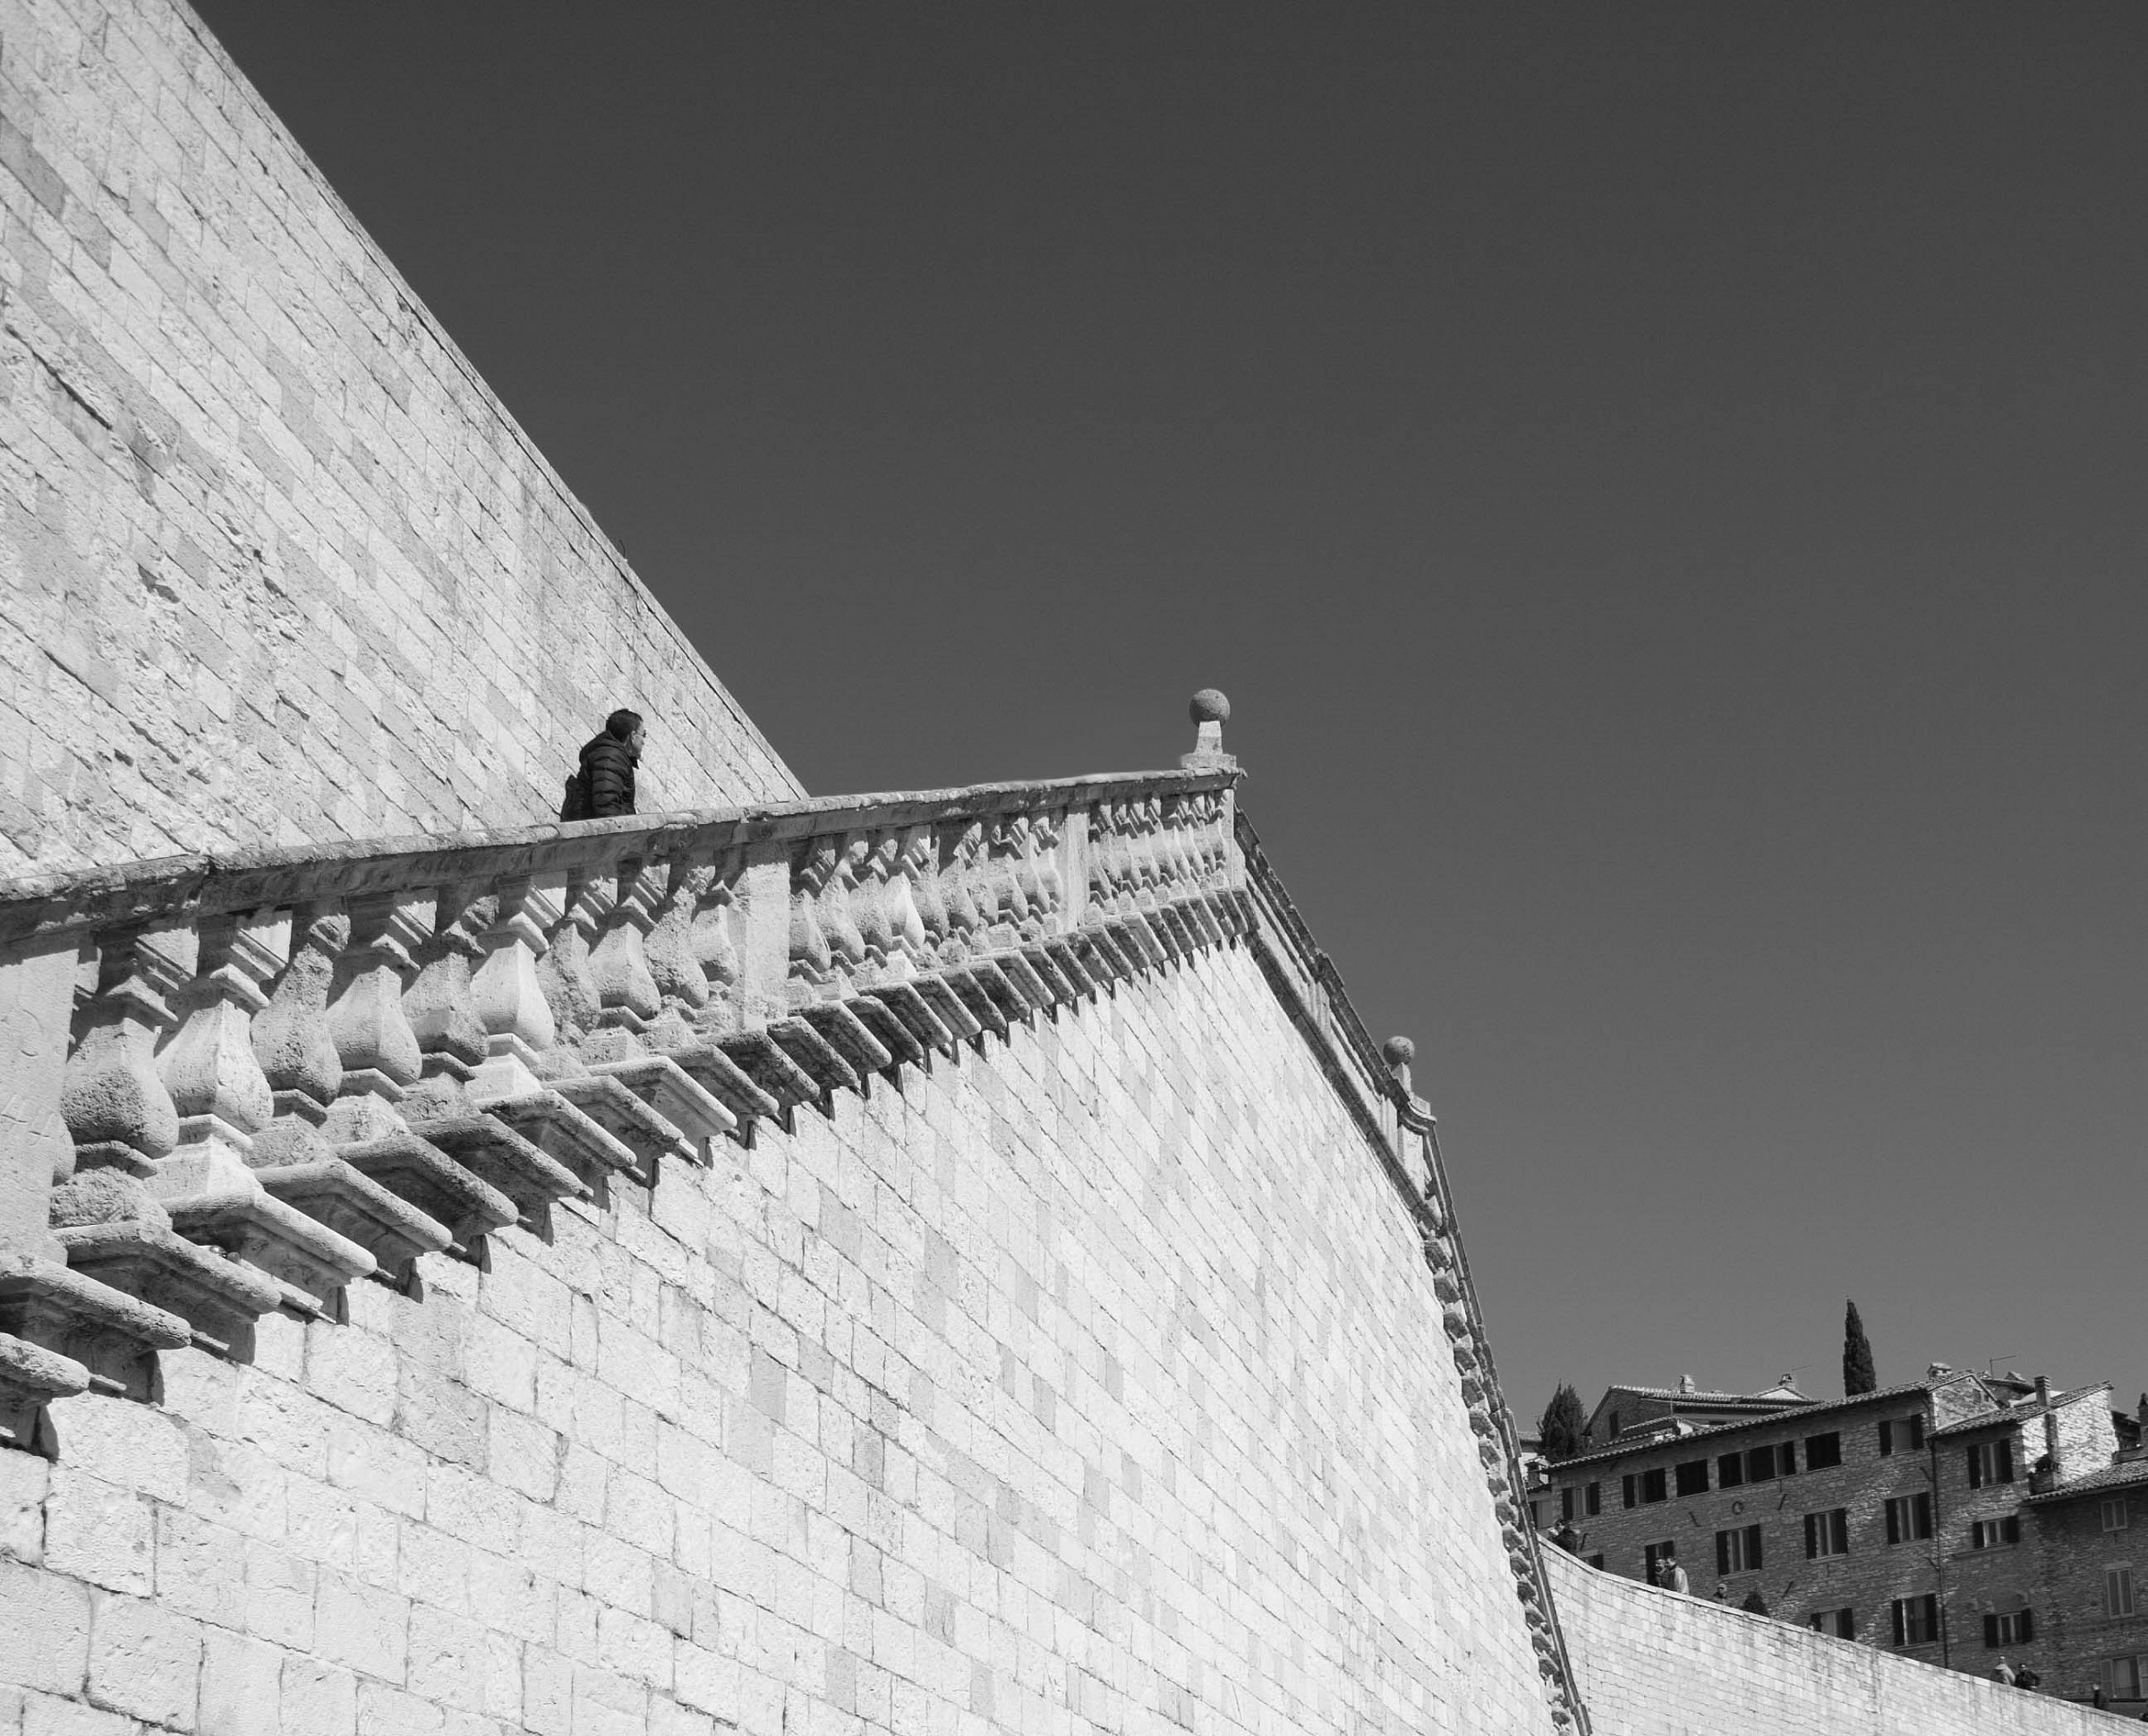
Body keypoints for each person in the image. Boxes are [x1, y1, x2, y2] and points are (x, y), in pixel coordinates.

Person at [565, 709, 644, 821]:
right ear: (633, 735)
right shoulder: (612, 756)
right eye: (643, 734)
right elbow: (605, 802)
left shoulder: (612, 755)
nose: (644, 741)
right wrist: (615, 835)